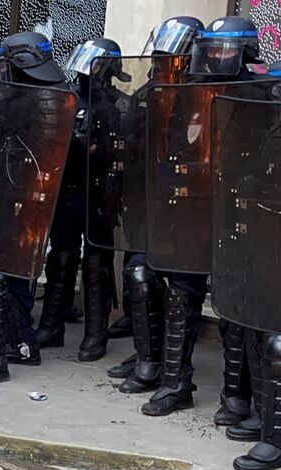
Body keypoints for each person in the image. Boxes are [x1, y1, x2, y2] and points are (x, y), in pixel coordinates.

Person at [141, 15, 262, 417]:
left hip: (234, 214)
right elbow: (176, 147)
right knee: (180, 294)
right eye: (213, 47)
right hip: (192, 209)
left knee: (233, 305)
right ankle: (176, 384)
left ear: (245, 49)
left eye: (226, 48)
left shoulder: (257, 92)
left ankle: (236, 394)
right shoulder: (192, 91)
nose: (218, 56)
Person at [0, 31, 64, 388]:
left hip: (16, 201)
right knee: (14, 274)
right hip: (14, 200)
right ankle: (22, 343)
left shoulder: (25, 103)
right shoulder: (42, 98)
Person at [110, 16, 203, 397]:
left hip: (194, 213)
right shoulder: (150, 93)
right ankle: (148, 357)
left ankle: (176, 376)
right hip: (151, 208)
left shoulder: (204, 95)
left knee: (182, 292)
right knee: (138, 275)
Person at [34, 37, 122, 362]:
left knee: (96, 262)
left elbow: (117, 154)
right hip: (67, 188)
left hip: (97, 193)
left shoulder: (115, 107)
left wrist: (93, 150)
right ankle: (52, 325)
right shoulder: (69, 99)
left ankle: (95, 334)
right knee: (61, 256)